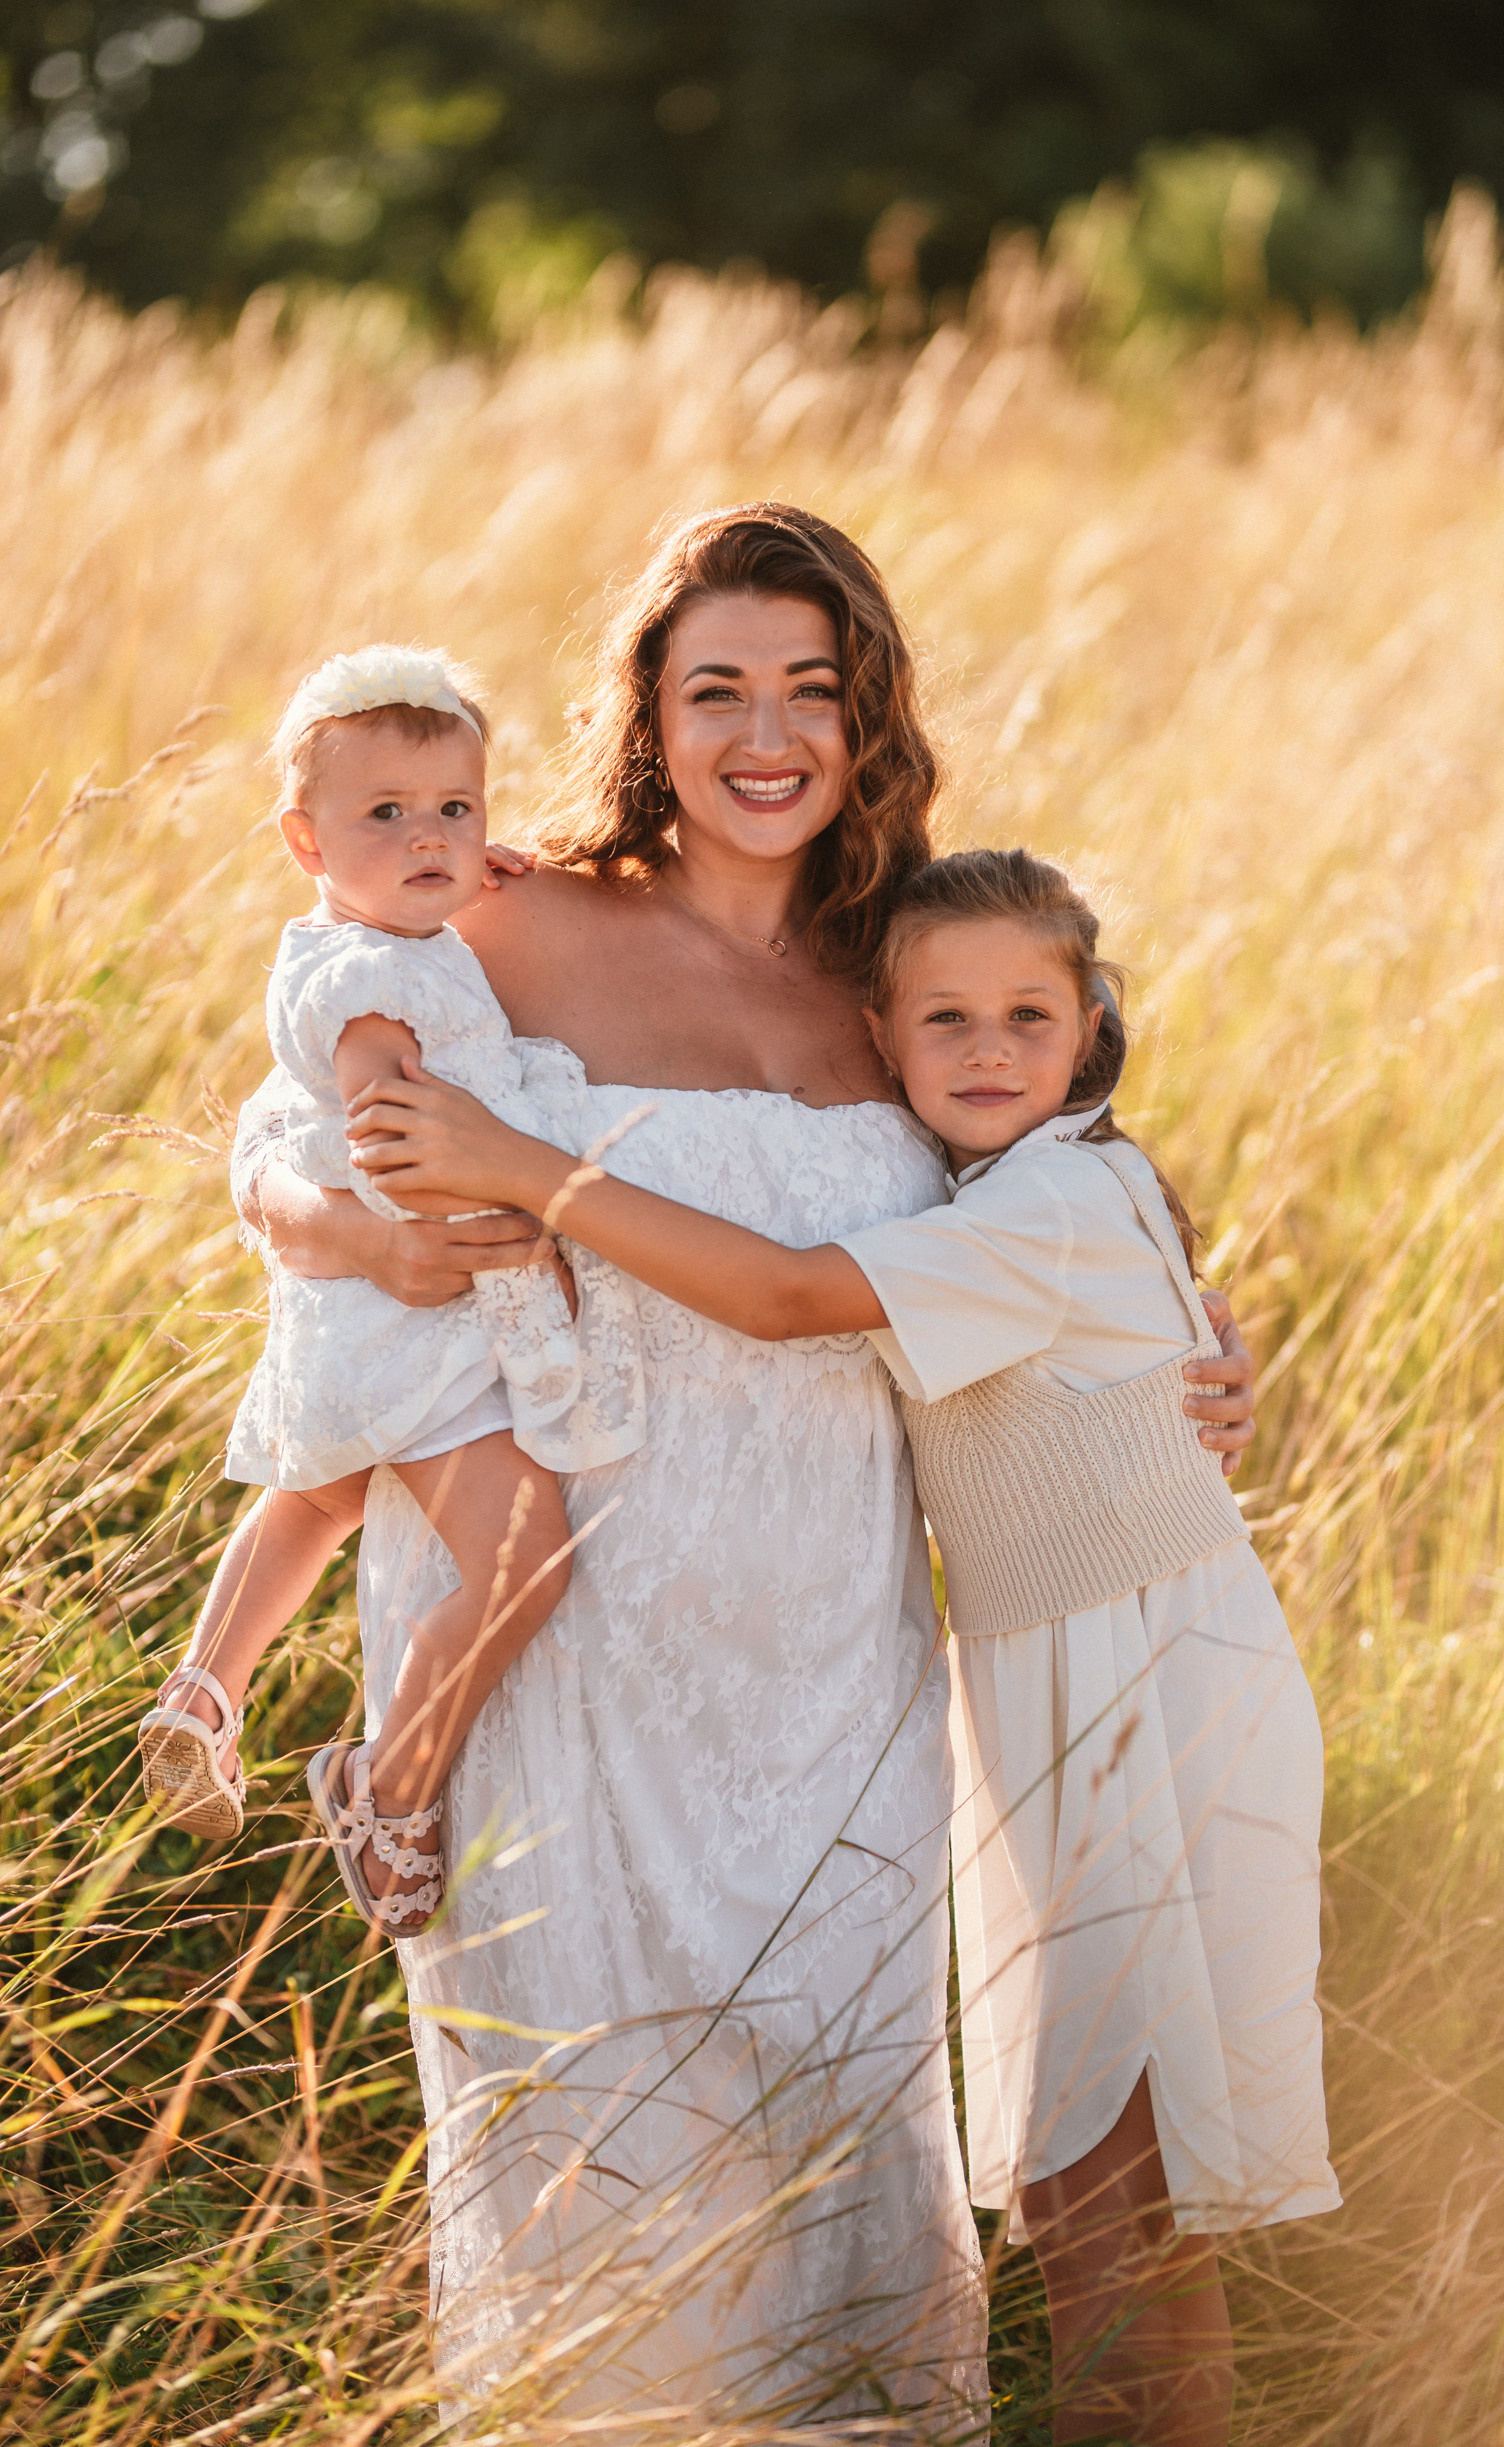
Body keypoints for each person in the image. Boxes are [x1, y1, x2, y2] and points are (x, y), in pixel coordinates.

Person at [231, 505, 1259, 2423]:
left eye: (811, 687)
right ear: (651, 714)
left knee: (833, 2150)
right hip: (560, 1647)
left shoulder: (905, 974)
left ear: (867, 719)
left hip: (840, 1667)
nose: (764, 732)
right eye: (715, 688)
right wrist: (355, 1233)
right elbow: (280, 1132)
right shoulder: (510, 917)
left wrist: (1204, 1341)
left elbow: (1085, 1184)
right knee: (597, 2171)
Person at [346, 840, 1335, 2447]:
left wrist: (525, 1168)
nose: (988, 1049)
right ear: (877, 1043)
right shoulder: (1002, 1188)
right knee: (1084, 2186)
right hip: (1048, 1701)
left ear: (1090, 1026)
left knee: (1129, 2199)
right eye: (943, 1021)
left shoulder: (1059, 1200)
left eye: (1028, 1016)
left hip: (1143, 1699)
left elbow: (797, 1294)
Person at [140, 645, 643, 1933]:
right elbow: (391, 1137)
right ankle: (393, 1781)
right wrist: (519, 1227)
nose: (431, 840)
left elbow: (430, 928)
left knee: (316, 1494)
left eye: (457, 813)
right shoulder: (374, 986)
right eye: (389, 817)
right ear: (305, 842)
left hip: (348, 1322)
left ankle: (205, 1688)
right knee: (527, 1557)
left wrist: (476, 876)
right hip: (418, 1308)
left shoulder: (356, 939)